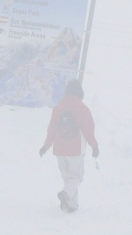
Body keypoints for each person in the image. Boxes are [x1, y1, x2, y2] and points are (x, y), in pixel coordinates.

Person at [39, 80, 99, 213]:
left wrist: (45, 147)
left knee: (68, 178)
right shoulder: (82, 108)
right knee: (76, 177)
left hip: (60, 149)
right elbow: (89, 130)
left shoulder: (58, 108)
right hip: (76, 149)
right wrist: (94, 147)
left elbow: (51, 130)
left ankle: (71, 206)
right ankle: (66, 194)